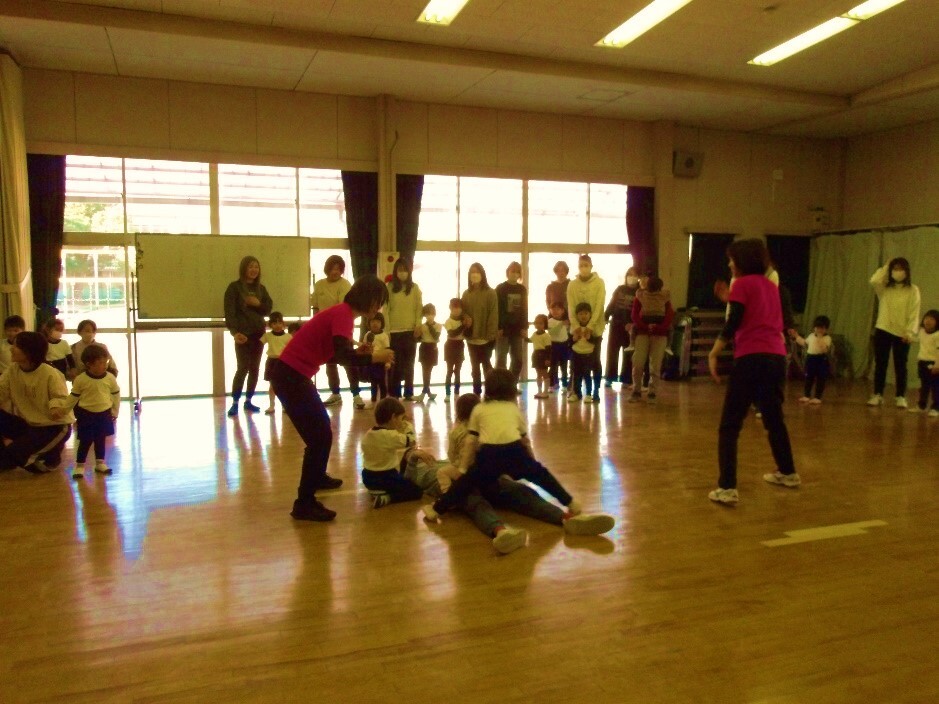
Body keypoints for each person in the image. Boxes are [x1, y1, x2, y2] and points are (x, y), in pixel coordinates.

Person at [417, 394, 614, 553]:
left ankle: (501, 531)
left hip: (467, 483)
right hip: (493, 480)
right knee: (523, 493)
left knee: (477, 505)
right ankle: (566, 518)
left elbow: (453, 458)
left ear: (459, 413)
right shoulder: (489, 428)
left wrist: (447, 497)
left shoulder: (457, 434)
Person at [271, 275, 395, 521]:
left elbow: (336, 354)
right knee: (319, 437)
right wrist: (376, 357)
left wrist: (357, 352)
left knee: (321, 432)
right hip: (291, 376)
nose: (379, 308)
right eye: (378, 301)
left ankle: (317, 477)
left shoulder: (343, 314)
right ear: (368, 298)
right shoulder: (343, 315)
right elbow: (344, 357)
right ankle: (304, 503)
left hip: (292, 375)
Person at [707, 238, 800, 505]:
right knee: (774, 419)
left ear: (742, 261)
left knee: (729, 425)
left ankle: (727, 488)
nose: (729, 264)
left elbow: (733, 322)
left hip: (751, 358)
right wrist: (729, 299)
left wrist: (714, 353)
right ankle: (788, 472)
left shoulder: (741, 283)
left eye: (732, 259)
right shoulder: (771, 286)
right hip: (776, 358)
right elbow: (757, 313)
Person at [425, 368, 584, 518]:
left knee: (464, 484)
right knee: (543, 477)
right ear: (512, 390)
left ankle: (436, 510)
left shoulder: (479, 409)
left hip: (489, 455)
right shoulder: (513, 409)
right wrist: (532, 463)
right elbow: (525, 440)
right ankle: (571, 503)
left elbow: (471, 441)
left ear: (487, 388)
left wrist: (463, 468)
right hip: (515, 451)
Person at [0, 331, 73, 473]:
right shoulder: (12, 370)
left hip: (54, 427)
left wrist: (56, 407)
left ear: (29, 351)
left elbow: (61, 398)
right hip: (30, 425)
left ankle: (50, 457)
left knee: (14, 454)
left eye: (16, 346)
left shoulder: (50, 373)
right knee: (10, 456)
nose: (11, 349)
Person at [54, 345, 120, 479]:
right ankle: (80, 465)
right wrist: (64, 410)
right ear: (89, 364)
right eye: (100, 363)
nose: (104, 366)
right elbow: (73, 397)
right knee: (85, 440)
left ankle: (100, 463)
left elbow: (116, 394)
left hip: (104, 414)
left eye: (105, 362)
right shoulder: (81, 379)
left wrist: (115, 411)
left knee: (100, 439)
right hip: (86, 414)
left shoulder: (110, 378)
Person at [360, 397, 434, 508]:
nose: (402, 421)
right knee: (416, 491)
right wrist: (408, 425)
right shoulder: (390, 436)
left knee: (401, 473)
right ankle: (387, 497)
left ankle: (377, 490)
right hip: (385, 477)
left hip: (367, 477)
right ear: (393, 417)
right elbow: (412, 441)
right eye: (401, 418)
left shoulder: (369, 433)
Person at [312, 255, 364, 409]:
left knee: (348, 361)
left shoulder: (345, 284)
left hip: (341, 328)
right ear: (327, 269)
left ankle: (356, 394)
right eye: (333, 268)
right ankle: (335, 393)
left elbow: (344, 308)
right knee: (330, 362)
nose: (335, 272)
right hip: (324, 329)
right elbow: (316, 307)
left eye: (339, 269)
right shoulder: (319, 284)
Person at [868, 258, 921, 408]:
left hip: (902, 333)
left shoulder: (913, 290)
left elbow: (914, 313)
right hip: (883, 328)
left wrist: (909, 332)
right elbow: (874, 280)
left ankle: (900, 396)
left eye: (900, 268)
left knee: (900, 365)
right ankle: (877, 394)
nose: (898, 272)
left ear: (907, 271)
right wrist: (886, 266)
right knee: (881, 363)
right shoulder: (885, 288)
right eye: (895, 269)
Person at [224, 255, 272, 417]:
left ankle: (248, 401)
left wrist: (257, 304)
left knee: (254, 368)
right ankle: (235, 402)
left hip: (258, 334)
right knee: (242, 368)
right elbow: (229, 313)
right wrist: (235, 332)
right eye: (250, 266)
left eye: (256, 267)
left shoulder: (261, 289)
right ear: (244, 268)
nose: (254, 270)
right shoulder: (234, 288)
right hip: (242, 335)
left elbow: (268, 309)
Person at [628, 276, 674, 405]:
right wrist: (645, 326)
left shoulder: (664, 297)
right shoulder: (640, 295)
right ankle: (636, 390)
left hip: (659, 334)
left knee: (655, 365)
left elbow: (669, 315)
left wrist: (659, 328)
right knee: (638, 363)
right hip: (643, 333)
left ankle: (652, 392)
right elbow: (634, 314)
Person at [567, 254, 606, 399]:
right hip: (577, 331)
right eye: (581, 265)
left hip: (594, 330)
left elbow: (599, 305)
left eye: (586, 265)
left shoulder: (599, 283)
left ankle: (594, 391)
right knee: (575, 364)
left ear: (591, 266)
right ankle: (576, 391)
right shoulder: (572, 284)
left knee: (594, 362)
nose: (583, 268)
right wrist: (576, 326)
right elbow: (571, 306)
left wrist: (590, 326)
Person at [385, 258, 423, 400]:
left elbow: (419, 308)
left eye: (405, 270)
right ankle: (394, 393)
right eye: (400, 270)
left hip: (410, 332)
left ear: (409, 271)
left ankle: (408, 393)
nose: (402, 272)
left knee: (409, 364)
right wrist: (387, 330)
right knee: (395, 364)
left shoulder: (415, 288)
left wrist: (418, 325)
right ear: (395, 271)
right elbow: (386, 310)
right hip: (394, 332)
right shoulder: (389, 287)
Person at [461, 262, 498, 395]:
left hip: (486, 337)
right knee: (474, 367)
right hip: (471, 337)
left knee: (486, 365)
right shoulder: (466, 293)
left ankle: (491, 391)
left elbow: (493, 314)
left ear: (482, 274)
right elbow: (462, 312)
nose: (474, 275)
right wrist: (465, 317)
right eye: (472, 272)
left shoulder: (490, 293)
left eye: (477, 272)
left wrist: (491, 334)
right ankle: (476, 392)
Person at [604, 267, 640, 387]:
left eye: (634, 275)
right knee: (612, 351)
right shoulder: (620, 289)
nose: (632, 277)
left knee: (628, 353)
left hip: (630, 327)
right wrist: (605, 317)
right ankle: (609, 377)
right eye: (630, 274)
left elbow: (641, 311)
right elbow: (612, 304)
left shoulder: (640, 292)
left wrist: (633, 323)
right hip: (616, 324)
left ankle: (626, 379)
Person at [495, 261, 528, 384]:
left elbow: (524, 309)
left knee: (518, 359)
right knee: (501, 359)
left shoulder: (522, 289)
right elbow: (496, 309)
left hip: (517, 330)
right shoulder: (500, 288)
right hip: (503, 329)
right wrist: (498, 327)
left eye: (517, 272)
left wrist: (524, 327)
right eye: (512, 271)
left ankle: (512, 384)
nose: (514, 274)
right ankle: (500, 385)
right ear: (507, 272)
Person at [796, 315, 833, 404]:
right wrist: (796, 336)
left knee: (821, 378)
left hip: (821, 359)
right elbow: (804, 343)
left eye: (822, 328)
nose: (819, 330)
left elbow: (824, 349)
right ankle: (806, 395)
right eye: (817, 327)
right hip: (811, 358)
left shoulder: (827, 338)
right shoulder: (811, 336)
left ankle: (817, 397)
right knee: (809, 377)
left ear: (826, 329)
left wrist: (819, 338)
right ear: (814, 327)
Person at [261, 312, 292, 415]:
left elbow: (292, 350)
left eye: (279, 323)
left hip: (283, 362)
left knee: (284, 385)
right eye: (274, 323)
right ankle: (272, 405)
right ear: (270, 325)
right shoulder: (267, 335)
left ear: (283, 324)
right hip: (271, 361)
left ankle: (284, 405)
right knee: (272, 385)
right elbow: (259, 344)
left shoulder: (288, 336)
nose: (277, 325)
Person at [911, 309, 939, 417]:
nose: (928, 321)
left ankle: (936, 408)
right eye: (927, 318)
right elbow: (918, 339)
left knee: (936, 387)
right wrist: (910, 338)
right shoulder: (922, 331)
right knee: (924, 386)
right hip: (922, 362)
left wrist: (937, 365)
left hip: (934, 363)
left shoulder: (937, 335)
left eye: (932, 319)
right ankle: (921, 406)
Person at [569, 303, 599, 403]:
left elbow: (596, 341)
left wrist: (590, 338)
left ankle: (588, 394)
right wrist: (573, 339)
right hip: (576, 354)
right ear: (577, 315)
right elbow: (569, 342)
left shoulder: (592, 327)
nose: (583, 316)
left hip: (588, 354)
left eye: (586, 313)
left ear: (590, 315)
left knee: (587, 374)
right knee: (576, 375)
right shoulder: (574, 327)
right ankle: (576, 394)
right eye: (581, 314)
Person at [362, 312, 391, 403]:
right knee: (373, 381)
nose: (375, 324)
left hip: (381, 362)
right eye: (373, 321)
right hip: (371, 361)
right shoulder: (367, 334)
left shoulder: (384, 336)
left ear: (382, 323)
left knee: (382, 381)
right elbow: (364, 347)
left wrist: (388, 362)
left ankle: (383, 399)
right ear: (369, 323)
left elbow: (387, 350)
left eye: (378, 322)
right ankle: (373, 398)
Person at [443, 298, 467, 402]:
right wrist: (463, 325)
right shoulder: (448, 321)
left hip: (460, 345)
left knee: (458, 371)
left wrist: (466, 324)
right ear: (450, 308)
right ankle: (447, 394)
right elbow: (452, 333)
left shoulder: (464, 320)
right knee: (449, 371)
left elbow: (467, 333)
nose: (457, 310)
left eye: (459, 307)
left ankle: (457, 393)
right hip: (450, 346)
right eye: (455, 307)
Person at [417, 303, 442, 402]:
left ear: (435, 314)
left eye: (432, 313)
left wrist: (430, 325)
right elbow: (418, 338)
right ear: (424, 315)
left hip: (432, 348)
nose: (430, 315)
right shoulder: (421, 326)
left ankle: (425, 392)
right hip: (424, 347)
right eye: (427, 313)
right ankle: (427, 392)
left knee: (429, 371)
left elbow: (435, 337)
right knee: (425, 371)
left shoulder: (439, 325)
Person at [547, 301, 570, 392]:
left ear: (563, 310)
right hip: (554, 345)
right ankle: (553, 384)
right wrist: (561, 324)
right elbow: (553, 332)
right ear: (550, 310)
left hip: (564, 345)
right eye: (553, 309)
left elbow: (567, 333)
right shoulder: (550, 321)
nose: (555, 311)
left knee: (564, 366)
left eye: (558, 309)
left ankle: (564, 384)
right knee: (553, 366)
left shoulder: (566, 321)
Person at [530, 314, 551, 399]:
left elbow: (548, 348)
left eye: (540, 323)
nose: (538, 325)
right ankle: (539, 391)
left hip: (543, 355)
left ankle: (545, 391)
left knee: (544, 373)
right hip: (535, 354)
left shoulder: (546, 336)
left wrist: (548, 359)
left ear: (545, 324)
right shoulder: (534, 334)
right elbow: (530, 340)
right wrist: (524, 337)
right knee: (538, 373)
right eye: (536, 323)